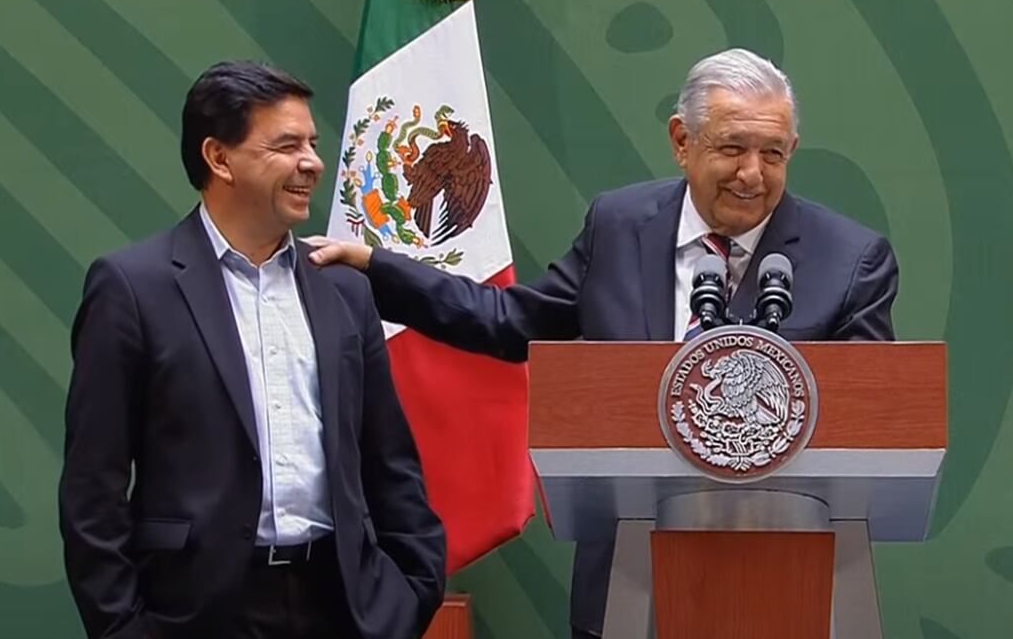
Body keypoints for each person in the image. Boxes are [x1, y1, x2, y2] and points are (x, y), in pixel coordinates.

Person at [306, 48, 898, 638]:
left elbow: (873, 425)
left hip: (779, 582)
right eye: (732, 149)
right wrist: (377, 269)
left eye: (773, 153)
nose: (753, 174)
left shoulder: (850, 260)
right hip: (626, 581)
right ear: (682, 141)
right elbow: (512, 322)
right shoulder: (620, 225)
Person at [59, 61, 446, 639]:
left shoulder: (344, 290)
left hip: (343, 607)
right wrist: (123, 629)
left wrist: (410, 592)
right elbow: (93, 488)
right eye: (286, 146)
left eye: (313, 144)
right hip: (197, 612)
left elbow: (389, 462)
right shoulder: (133, 288)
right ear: (219, 158)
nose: (312, 163)